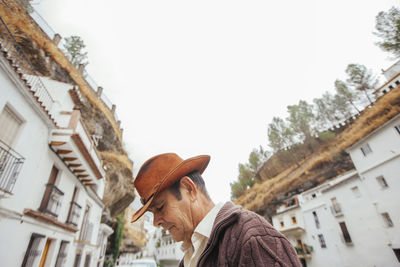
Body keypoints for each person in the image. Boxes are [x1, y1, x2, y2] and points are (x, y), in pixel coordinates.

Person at [131, 153, 302, 267]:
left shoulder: (252, 239)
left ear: (189, 189)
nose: (155, 222)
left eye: (160, 207)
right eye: (152, 214)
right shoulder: (189, 258)